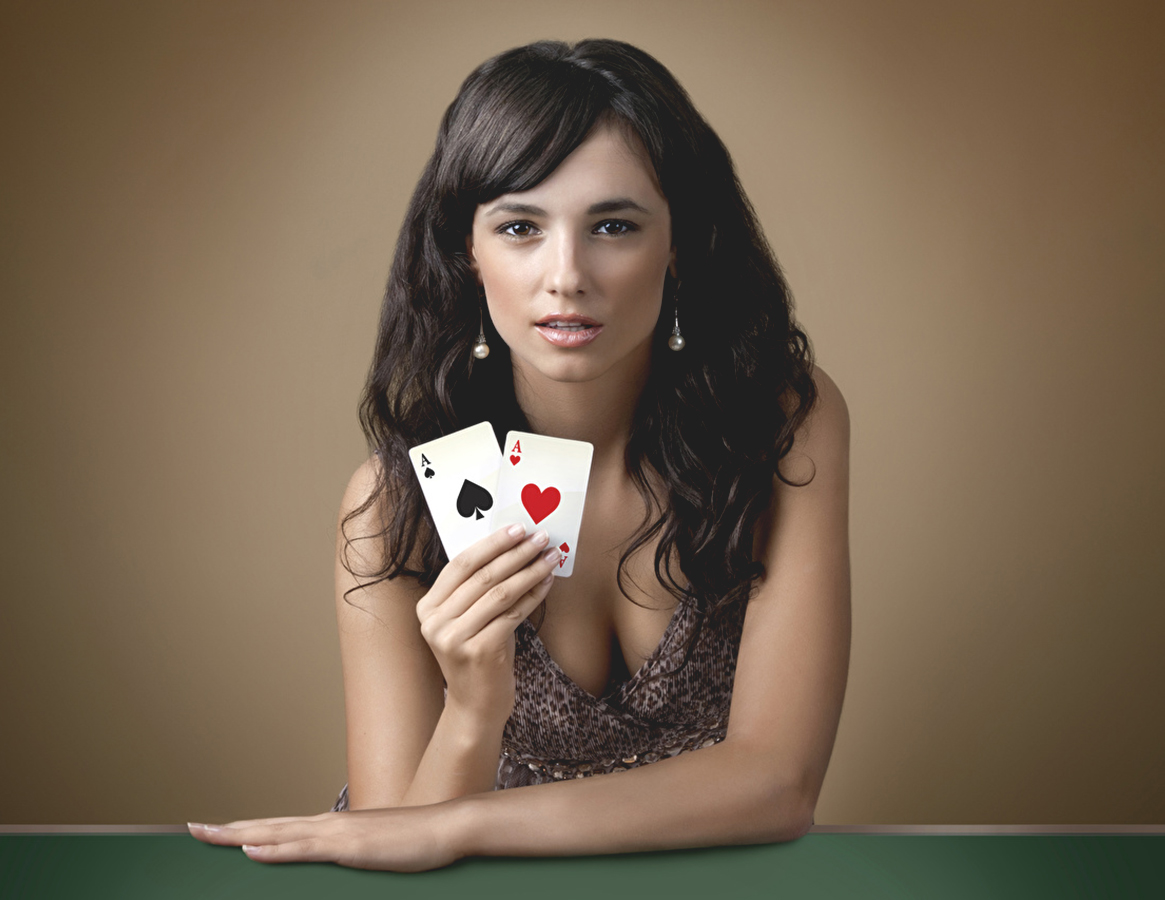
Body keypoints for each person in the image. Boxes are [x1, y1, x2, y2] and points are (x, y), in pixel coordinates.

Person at [189, 38, 850, 872]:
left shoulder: (781, 422)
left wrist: (467, 825)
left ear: (678, 243)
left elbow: (778, 784)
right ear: (469, 252)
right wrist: (472, 709)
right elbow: (393, 841)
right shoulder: (391, 509)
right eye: (520, 227)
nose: (566, 275)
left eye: (613, 225)